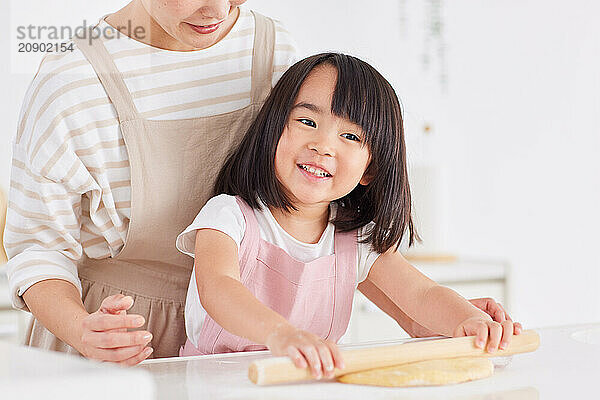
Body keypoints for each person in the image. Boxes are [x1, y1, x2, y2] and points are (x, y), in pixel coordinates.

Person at [4, 0, 517, 366]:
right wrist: (81, 329)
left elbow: (324, 234)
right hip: (116, 340)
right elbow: (35, 248)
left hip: (254, 351)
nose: (217, 9)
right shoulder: (71, 82)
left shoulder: (273, 48)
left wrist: (425, 318)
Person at [175, 53, 523, 379]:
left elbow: (422, 296)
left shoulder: (355, 238)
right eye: (307, 121)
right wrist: (280, 335)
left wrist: (465, 318)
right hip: (213, 383)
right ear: (272, 132)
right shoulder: (228, 216)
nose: (323, 145)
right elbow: (219, 288)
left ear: (369, 169)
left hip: (311, 387)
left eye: (349, 135)